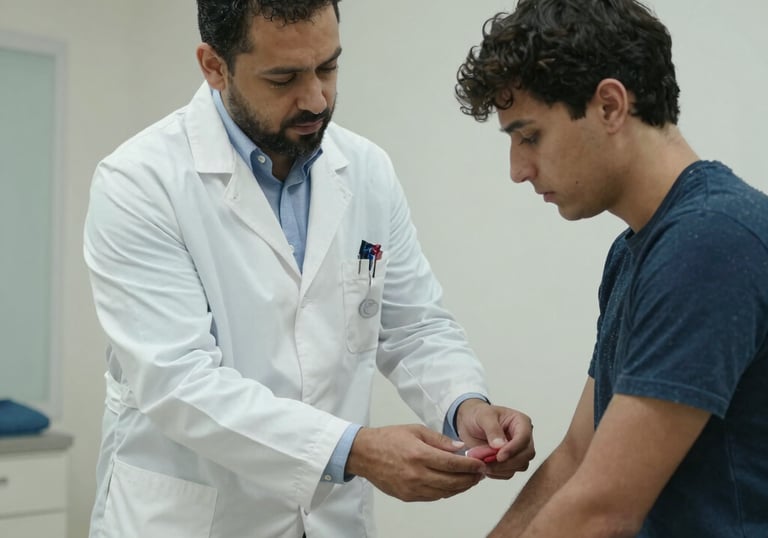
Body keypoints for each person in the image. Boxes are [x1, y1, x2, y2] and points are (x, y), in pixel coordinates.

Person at [83, 1, 535, 537]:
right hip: (196, 521)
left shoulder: (366, 170)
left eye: (328, 67)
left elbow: (413, 324)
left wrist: (464, 405)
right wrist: (353, 451)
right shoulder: (139, 183)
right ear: (214, 65)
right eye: (284, 78)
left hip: (330, 522)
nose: (317, 98)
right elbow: (178, 382)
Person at [455, 0, 768, 536]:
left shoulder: (712, 240)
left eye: (529, 136)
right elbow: (579, 455)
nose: (518, 169)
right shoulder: (636, 250)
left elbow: (603, 510)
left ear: (609, 106)